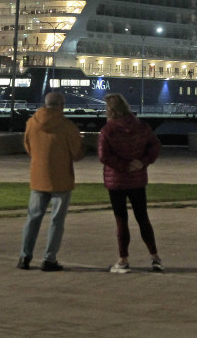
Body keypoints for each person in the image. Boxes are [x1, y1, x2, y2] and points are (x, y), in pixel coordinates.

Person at [18, 91, 85, 272]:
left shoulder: (31, 123)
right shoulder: (67, 126)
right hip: (61, 179)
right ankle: (49, 259)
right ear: (61, 106)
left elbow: (28, 146)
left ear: (45, 104)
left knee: (33, 219)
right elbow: (77, 153)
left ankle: (24, 257)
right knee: (56, 221)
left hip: (38, 177)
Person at [97, 92, 163, 273]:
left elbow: (103, 156)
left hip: (117, 180)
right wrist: (142, 162)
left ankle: (123, 260)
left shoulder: (108, 131)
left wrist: (123, 166)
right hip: (138, 178)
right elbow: (155, 146)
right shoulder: (142, 126)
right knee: (143, 218)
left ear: (109, 110)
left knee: (121, 220)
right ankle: (155, 257)